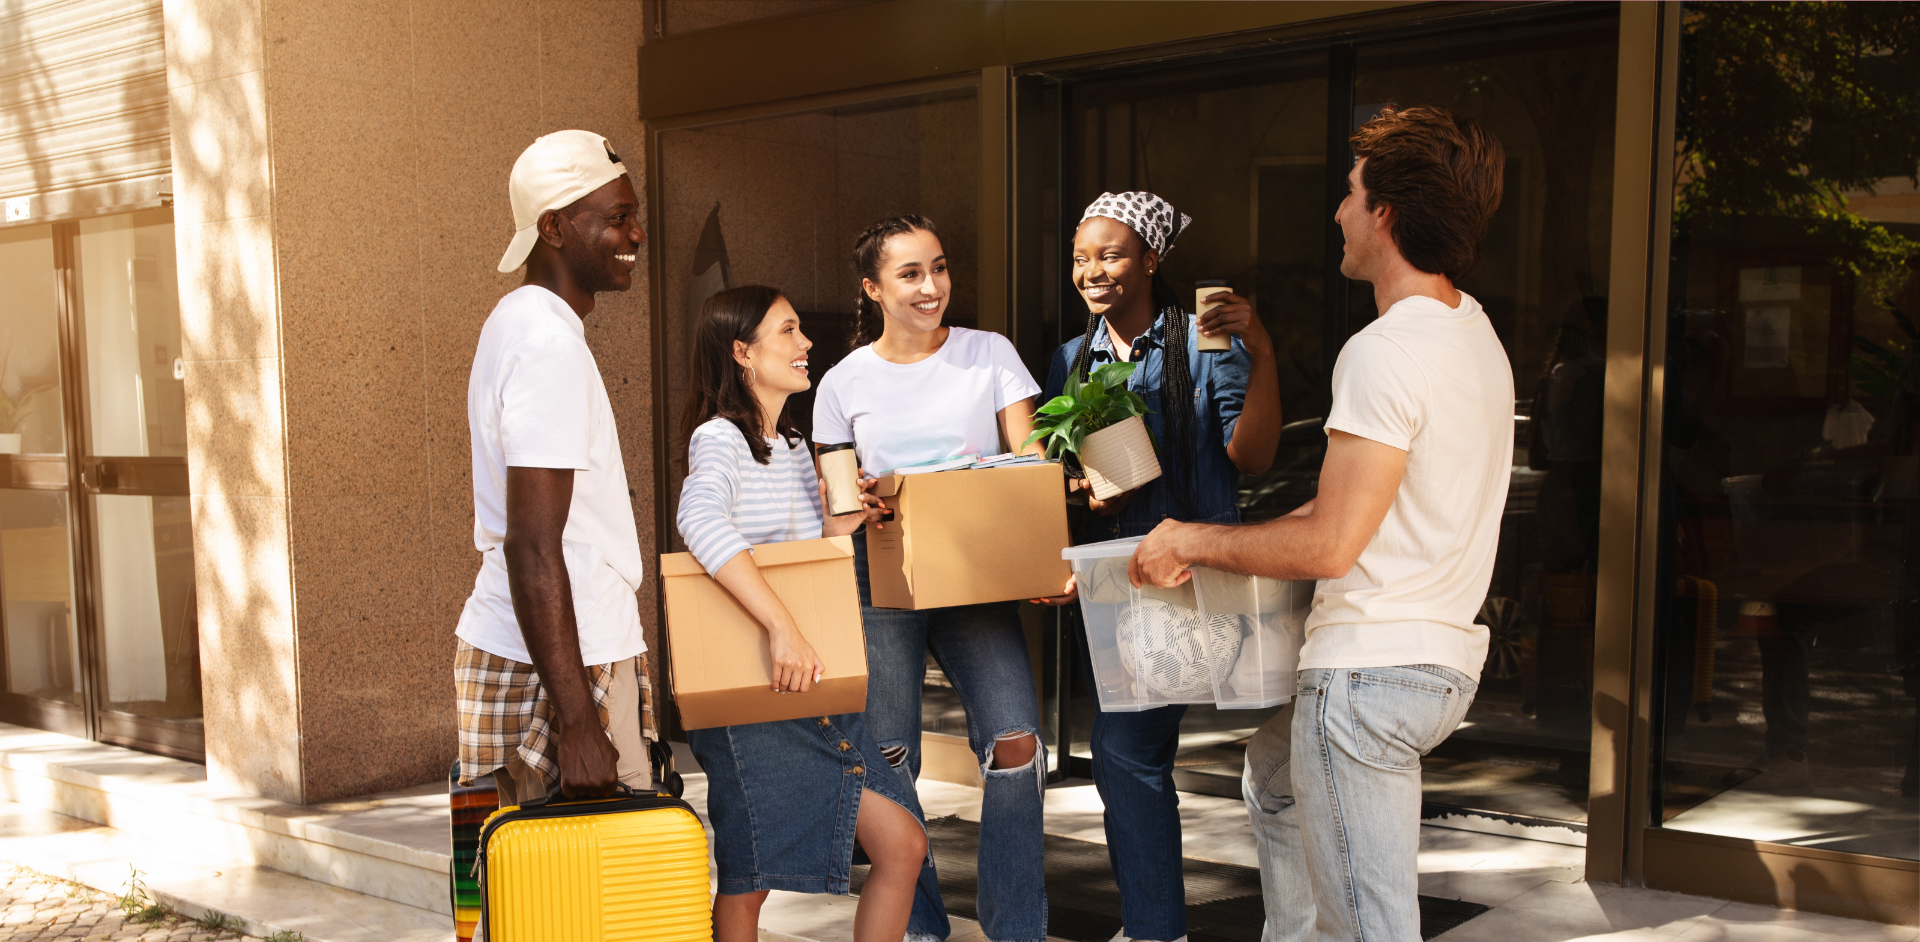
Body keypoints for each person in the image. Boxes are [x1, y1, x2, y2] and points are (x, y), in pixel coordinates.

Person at [1131, 106, 1509, 942]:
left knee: (1370, 929)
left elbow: (1331, 544)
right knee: (1274, 777)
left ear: (1386, 214)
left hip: (1368, 682)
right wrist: (1219, 548)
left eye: (1349, 194)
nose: (1337, 213)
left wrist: (1191, 538)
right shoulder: (1473, 332)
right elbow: (1356, 508)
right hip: (1437, 669)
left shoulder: (1383, 349)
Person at [1031, 192, 1283, 942]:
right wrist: (1085, 491)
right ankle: (1154, 923)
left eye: (1109, 254)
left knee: (1124, 749)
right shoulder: (1072, 359)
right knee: (1130, 749)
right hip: (1115, 578)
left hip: (1192, 579)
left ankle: (1155, 928)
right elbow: (1062, 475)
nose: (1092, 270)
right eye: (1080, 258)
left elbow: (1253, 455)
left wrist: (1261, 349)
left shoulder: (1203, 343)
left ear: (1150, 259)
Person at [676, 285, 940, 942]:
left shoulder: (791, 446)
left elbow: (802, 559)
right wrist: (781, 629)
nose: (806, 344)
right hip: (754, 693)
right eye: (788, 331)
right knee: (749, 876)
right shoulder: (719, 439)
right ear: (742, 352)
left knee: (903, 846)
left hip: (807, 687)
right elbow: (698, 521)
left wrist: (841, 522)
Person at [812, 215, 1049, 942]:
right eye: (910, 274)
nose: (931, 287)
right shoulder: (842, 381)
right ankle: (920, 926)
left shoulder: (990, 354)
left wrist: (1042, 548)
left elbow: (1033, 461)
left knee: (1017, 742)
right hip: (881, 575)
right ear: (873, 288)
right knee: (890, 756)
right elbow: (837, 509)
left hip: (973, 574)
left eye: (939, 268)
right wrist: (863, 501)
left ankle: (1017, 929)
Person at [453, 130, 652, 806]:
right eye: (617, 216)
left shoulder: (520, 321)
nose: (636, 232)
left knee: (526, 901)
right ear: (554, 228)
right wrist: (578, 723)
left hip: (539, 646)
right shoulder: (546, 345)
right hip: (570, 665)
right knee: (602, 899)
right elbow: (533, 543)